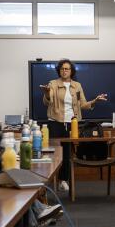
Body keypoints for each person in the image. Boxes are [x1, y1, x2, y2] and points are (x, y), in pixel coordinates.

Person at [40, 59, 107, 193]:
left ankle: (63, 180)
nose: (64, 71)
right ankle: (48, 183)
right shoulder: (52, 84)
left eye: (67, 69)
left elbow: (82, 104)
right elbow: (47, 102)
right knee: (53, 154)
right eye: (62, 69)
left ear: (71, 71)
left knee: (67, 154)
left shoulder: (77, 85)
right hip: (55, 123)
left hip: (73, 123)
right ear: (59, 70)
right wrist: (47, 93)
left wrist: (95, 101)